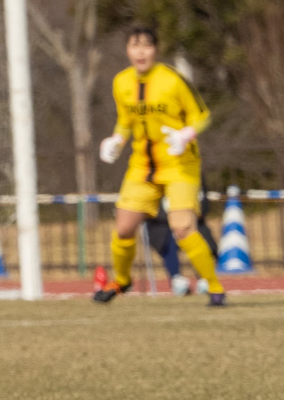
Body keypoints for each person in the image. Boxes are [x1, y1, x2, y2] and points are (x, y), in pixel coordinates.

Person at [95, 27, 225, 306]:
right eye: (135, 45)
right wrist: (116, 139)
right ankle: (121, 281)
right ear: (127, 50)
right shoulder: (121, 82)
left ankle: (215, 288)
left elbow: (202, 116)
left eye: (147, 46)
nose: (141, 51)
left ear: (156, 50)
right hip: (142, 166)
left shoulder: (173, 80)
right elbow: (125, 120)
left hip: (180, 164)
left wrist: (185, 134)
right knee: (124, 228)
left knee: (182, 227)